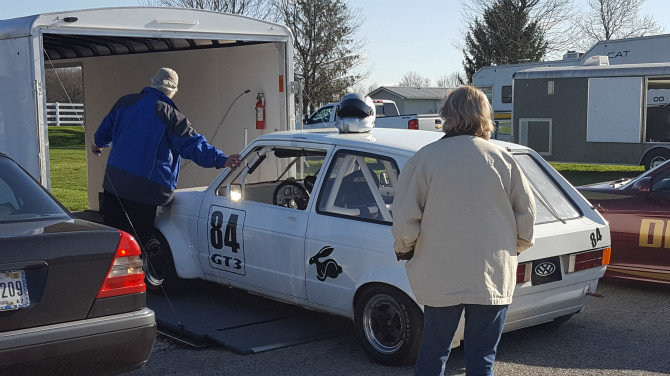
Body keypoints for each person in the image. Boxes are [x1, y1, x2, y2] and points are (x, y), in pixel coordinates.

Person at [391, 85, 536, 376]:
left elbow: (405, 218)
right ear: (485, 117)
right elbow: (527, 219)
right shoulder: (504, 159)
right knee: (482, 357)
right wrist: (512, 249)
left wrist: (405, 249)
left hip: (440, 271)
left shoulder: (425, 159)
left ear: (446, 115)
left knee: (434, 352)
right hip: (492, 271)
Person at [92, 67, 241, 246]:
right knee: (137, 244)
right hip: (145, 192)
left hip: (114, 184)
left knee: (113, 240)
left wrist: (99, 144)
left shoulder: (124, 102)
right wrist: (222, 159)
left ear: (152, 83)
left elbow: (104, 131)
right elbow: (193, 145)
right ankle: (140, 272)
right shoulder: (170, 115)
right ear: (173, 91)